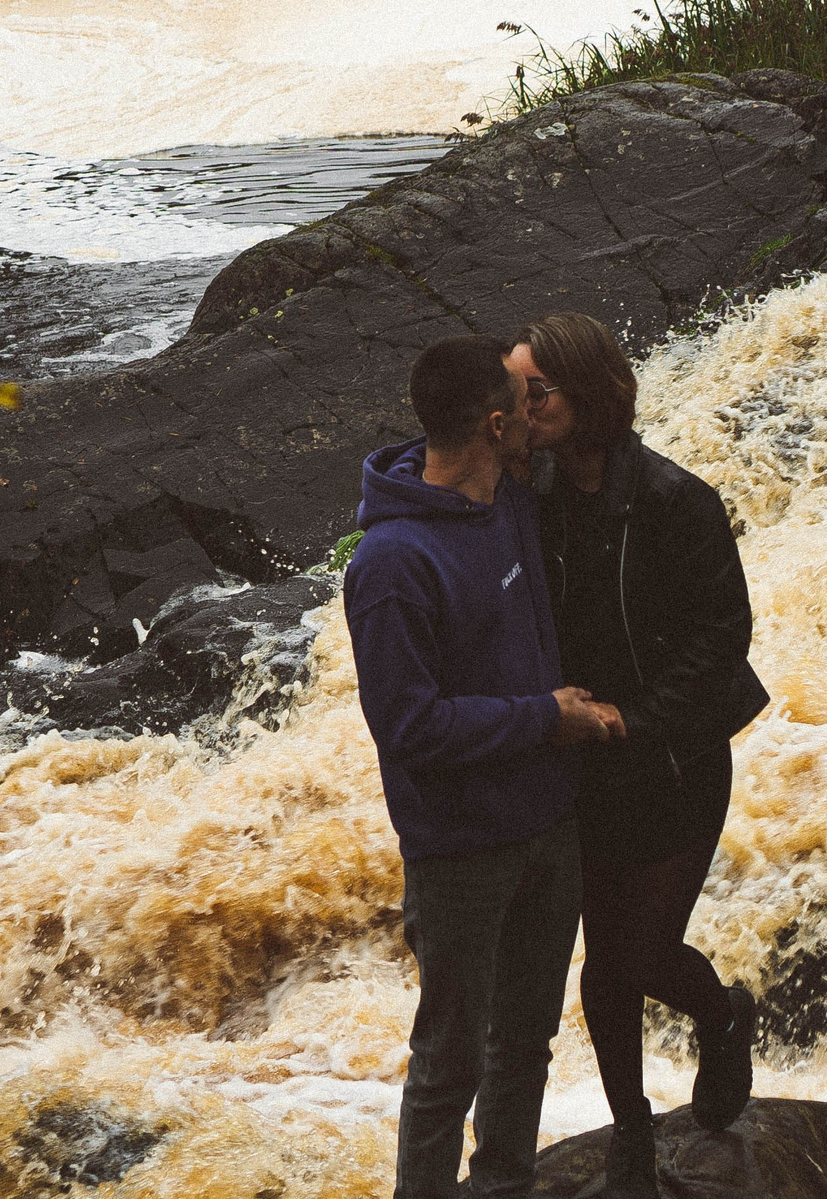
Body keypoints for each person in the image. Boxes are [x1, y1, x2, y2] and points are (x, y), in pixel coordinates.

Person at [345, 333, 627, 1199]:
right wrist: (548, 717)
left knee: (526, 1038)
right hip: (462, 848)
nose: (536, 414)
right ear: (495, 425)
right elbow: (410, 727)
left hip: (548, 821)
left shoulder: (508, 493)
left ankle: (501, 1185)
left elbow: (586, 446)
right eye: (523, 401)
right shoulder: (392, 564)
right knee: (448, 1061)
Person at [508, 312, 771, 1199]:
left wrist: (636, 719)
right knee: (601, 963)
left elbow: (721, 636)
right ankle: (629, 1134)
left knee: (645, 951)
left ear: (585, 395)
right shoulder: (529, 493)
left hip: (673, 757)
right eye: (514, 391)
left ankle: (722, 1013)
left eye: (533, 391)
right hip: (581, 756)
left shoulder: (674, 499)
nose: (520, 407)